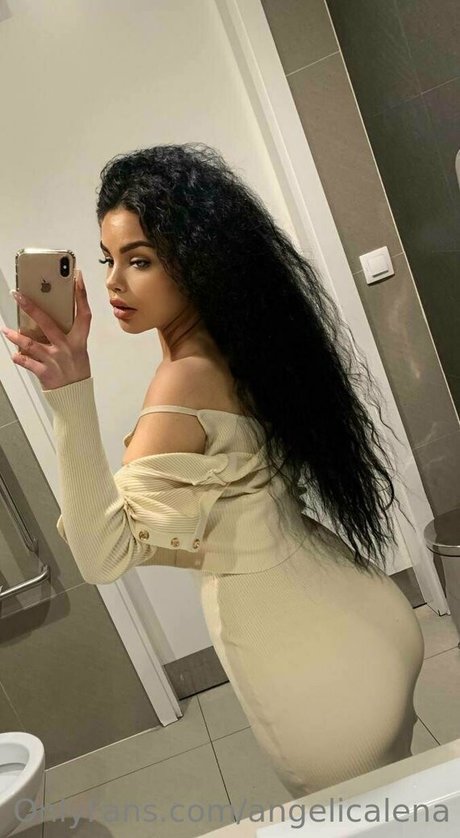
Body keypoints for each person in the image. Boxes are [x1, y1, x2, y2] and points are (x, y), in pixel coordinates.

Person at [4, 143, 425, 798]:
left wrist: (69, 394)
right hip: (365, 611)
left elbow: (101, 556)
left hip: (309, 669)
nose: (113, 283)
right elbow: (213, 514)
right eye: (107, 259)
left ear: (197, 259)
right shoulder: (242, 343)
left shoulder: (182, 384)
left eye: (139, 260)